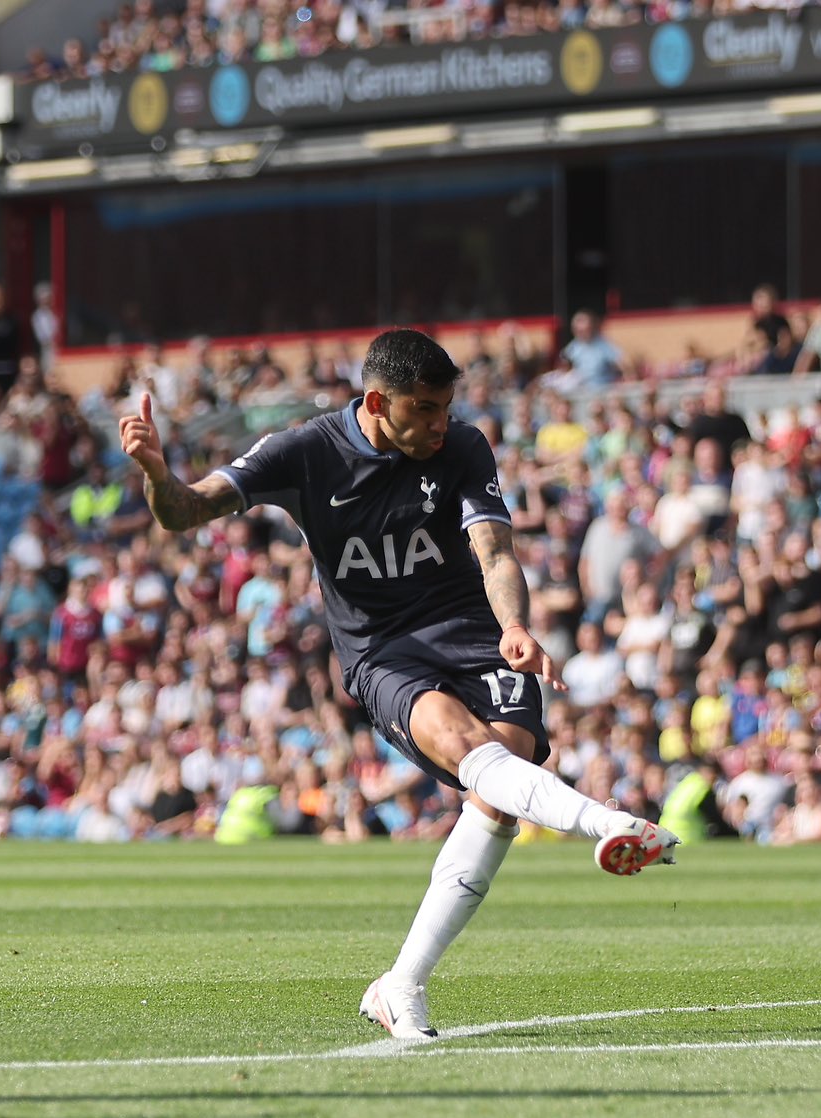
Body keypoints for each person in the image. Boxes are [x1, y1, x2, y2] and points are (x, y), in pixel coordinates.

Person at [118, 328, 680, 1040]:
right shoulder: (305, 453)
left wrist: (514, 625)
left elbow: (496, 549)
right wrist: (154, 475)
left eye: (446, 407)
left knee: (495, 796)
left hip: (478, 636)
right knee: (470, 749)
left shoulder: (462, 447)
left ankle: (400, 985)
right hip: (384, 652)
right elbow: (187, 511)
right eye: (425, 410)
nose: (440, 424)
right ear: (378, 401)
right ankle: (607, 823)